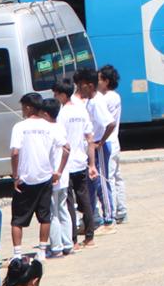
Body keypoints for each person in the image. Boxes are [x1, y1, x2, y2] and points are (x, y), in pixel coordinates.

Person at [9, 93, 64, 257]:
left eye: (23, 107)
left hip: (25, 178)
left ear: (28, 107)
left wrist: (15, 175)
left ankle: (17, 253)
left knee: (17, 219)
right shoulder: (49, 126)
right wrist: (58, 170)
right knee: (44, 216)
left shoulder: (19, 127)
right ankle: (41, 250)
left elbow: (14, 153)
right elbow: (65, 148)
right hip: (45, 176)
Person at [50, 78, 94, 254]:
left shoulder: (61, 115)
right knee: (84, 198)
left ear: (62, 94)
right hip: (81, 160)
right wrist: (91, 163)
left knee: (69, 203)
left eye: (55, 94)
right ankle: (90, 236)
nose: (55, 97)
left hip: (67, 163)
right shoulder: (81, 111)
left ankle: (73, 240)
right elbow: (90, 138)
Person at [75, 69, 111, 229]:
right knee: (93, 183)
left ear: (90, 85)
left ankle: (109, 217)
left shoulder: (97, 101)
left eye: (81, 85)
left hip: (99, 145)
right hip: (92, 146)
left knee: (102, 182)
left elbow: (110, 123)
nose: (79, 89)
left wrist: (101, 142)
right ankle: (96, 218)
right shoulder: (89, 100)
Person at [96, 65, 126, 224]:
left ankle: (112, 213)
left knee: (108, 179)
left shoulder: (104, 98)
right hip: (115, 141)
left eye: (99, 79)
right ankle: (121, 210)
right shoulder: (116, 96)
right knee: (117, 176)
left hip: (107, 141)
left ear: (106, 81)